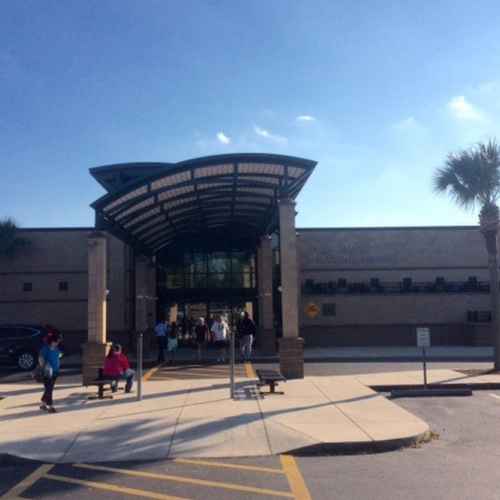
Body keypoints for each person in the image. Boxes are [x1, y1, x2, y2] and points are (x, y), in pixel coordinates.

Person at [39, 332, 62, 413]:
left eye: (58, 341)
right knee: (49, 389)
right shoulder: (45, 349)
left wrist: (60, 355)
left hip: (55, 372)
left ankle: (43, 404)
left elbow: (59, 355)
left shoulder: (56, 348)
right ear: (51, 341)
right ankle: (50, 406)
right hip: (47, 373)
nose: (57, 343)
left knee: (48, 389)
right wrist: (44, 367)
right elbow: (41, 359)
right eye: (56, 341)